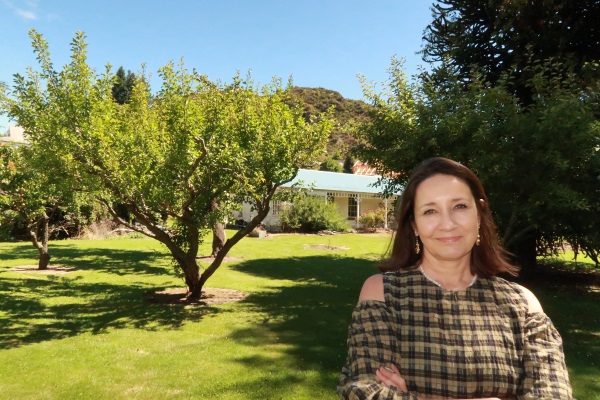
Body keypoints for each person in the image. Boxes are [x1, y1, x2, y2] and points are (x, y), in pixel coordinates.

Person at [337, 157, 572, 400]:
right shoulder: (383, 294)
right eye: (430, 211)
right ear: (414, 225)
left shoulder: (523, 304)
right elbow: (366, 391)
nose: (447, 224)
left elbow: (555, 395)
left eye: (459, 206)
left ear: (479, 213)